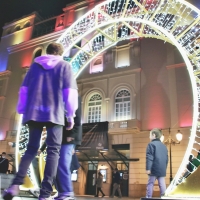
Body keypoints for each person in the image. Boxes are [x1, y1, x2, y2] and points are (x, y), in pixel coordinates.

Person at [3, 42, 78, 200]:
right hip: (55, 113)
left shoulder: (34, 67)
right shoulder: (64, 66)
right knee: (53, 152)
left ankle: (15, 185)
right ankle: (44, 194)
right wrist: (70, 115)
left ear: (47, 52)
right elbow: (70, 92)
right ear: (60, 54)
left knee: (31, 149)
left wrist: (22, 109)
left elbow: (24, 89)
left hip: (34, 112)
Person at [30, 96, 82, 200]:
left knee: (62, 163)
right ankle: (62, 192)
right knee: (57, 166)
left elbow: (77, 119)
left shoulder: (73, 96)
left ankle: (67, 191)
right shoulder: (56, 98)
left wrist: (72, 138)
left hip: (69, 136)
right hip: (60, 136)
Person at [146, 128, 168, 198]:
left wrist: (148, 168)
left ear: (154, 135)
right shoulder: (164, 146)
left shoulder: (151, 144)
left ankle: (148, 197)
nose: (149, 137)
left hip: (154, 168)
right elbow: (166, 159)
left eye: (150, 135)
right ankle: (163, 197)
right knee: (162, 184)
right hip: (162, 168)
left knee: (150, 183)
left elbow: (149, 157)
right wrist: (164, 168)